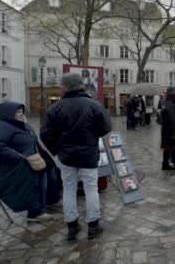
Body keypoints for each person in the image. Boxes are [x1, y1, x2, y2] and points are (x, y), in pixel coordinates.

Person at [41, 73, 112, 241]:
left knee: (69, 189)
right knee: (91, 188)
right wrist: (92, 137)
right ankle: (93, 226)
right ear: (81, 85)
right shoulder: (94, 105)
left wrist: (56, 150)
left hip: (66, 156)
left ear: (64, 87)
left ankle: (72, 226)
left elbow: (45, 134)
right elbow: (106, 127)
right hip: (88, 154)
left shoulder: (55, 108)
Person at [0, 102, 53, 223]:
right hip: (5, 168)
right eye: (17, 112)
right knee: (34, 173)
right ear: (8, 113)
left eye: (21, 111)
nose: (21, 114)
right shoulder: (1, 127)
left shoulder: (21, 125)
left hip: (26, 161)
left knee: (46, 169)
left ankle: (41, 206)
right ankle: (35, 212)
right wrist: (20, 158)